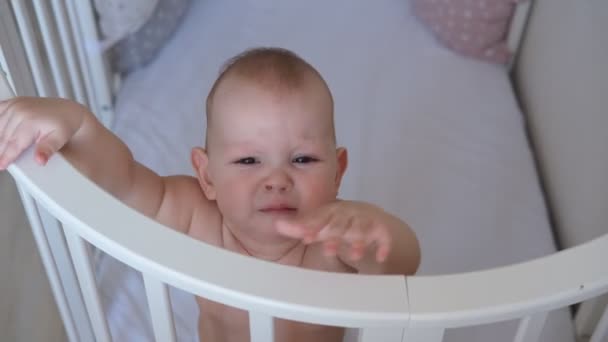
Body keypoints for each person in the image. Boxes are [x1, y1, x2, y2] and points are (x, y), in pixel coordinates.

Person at [0, 47, 420, 342]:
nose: (277, 180)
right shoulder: (198, 219)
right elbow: (124, 181)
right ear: (206, 175)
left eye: (303, 159)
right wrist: (78, 125)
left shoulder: (333, 245)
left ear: (338, 172)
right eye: (248, 162)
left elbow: (402, 263)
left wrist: (373, 231)